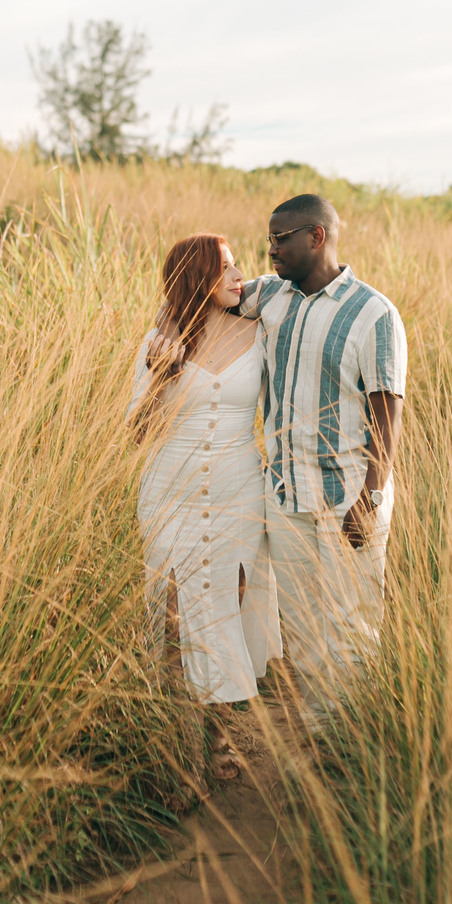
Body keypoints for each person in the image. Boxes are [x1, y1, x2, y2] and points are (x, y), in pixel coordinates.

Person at [151, 194, 406, 727]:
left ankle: (350, 740)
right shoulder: (269, 296)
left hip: (349, 495)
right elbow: (191, 296)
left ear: (316, 236)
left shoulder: (374, 313)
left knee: (352, 624)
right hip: (285, 496)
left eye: (280, 239)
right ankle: (316, 728)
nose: (269, 250)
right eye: (268, 239)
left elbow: (388, 411)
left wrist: (372, 494)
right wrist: (168, 334)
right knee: (303, 624)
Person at [128, 233, 282, 779]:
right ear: (197, 278)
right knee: (173, 613)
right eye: (226, 267)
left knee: (226, 609)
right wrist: (160, 375)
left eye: (239, 265)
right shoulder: (159, 342)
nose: (240, 275)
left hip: (239, 487)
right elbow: (137, 432)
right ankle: (178, 741)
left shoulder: (259, 332)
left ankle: (219, 736)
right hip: (171, 487)